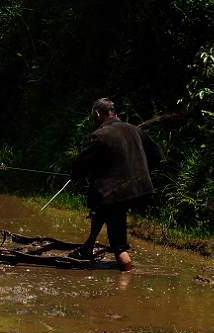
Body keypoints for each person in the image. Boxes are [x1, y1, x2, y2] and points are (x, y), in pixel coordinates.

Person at [68, 98, 161, 272]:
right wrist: (140, 172)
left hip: (119, 193)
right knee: (100, 206)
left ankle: (126, 276)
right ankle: (88, 247)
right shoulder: (135, 130)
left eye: (93, 116)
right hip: (142, 188)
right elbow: (157, 154)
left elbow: (80, 164)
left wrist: (75, 175)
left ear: (97, 114)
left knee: (117, 240)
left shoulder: (100, 135)